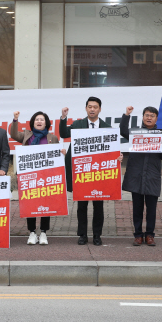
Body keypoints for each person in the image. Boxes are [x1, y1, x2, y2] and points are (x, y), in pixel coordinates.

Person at [60, 96, 110, 246]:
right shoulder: (78, 124)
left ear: (100, 109)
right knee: (82, 206)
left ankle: (97, 235)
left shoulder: (106, 127)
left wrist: (118, 157)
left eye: (95, 107)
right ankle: (82, 235)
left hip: (98, 173)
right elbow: (63, 133)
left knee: (98, 206)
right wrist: (63, 117)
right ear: (86, 108)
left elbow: (110, 150)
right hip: (81, 172)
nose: (92, 109)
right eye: (90, 106)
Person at [120, 105, 162, 246]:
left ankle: (149, 235)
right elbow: (123, 130)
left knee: (151, 210)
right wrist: (127, 115)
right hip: (136, 176)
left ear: (156, 119)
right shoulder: (136, 133)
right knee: (137, 209)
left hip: (152, 177)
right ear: (143, 117)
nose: (149, 118)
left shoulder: (161, 136)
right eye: (147, 115)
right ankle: (138, 235)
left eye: (152, 116)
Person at [10, 110, 60, 245]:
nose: (39, 121)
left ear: (46, 123)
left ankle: (43, 232)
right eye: (37, 119)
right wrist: (15, 120)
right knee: (30, 204)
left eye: (42, 119)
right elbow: (13, 134)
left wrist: (62, 153)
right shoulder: (27, 135)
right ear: (33, 122)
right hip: (29, 177)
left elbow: (56, 158)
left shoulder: (52, 138)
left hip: (46, 177)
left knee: (46, 205)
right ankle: (32, 232)